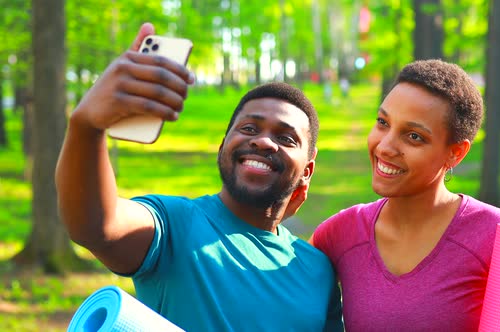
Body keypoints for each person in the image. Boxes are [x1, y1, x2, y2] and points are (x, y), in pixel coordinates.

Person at [55, 23, 343, 332]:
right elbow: (96, 226)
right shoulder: (175, 225)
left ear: (307, 173)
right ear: (223, 148)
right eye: (248, 129)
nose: (263, 142)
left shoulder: (318, 270)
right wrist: (86, 126)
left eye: (286, 138)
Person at [309, 59, 500, 331]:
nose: (385, 146)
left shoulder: (496, 234)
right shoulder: (340, 233)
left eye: (414, 137)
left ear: (456, 153)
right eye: (383, 122)